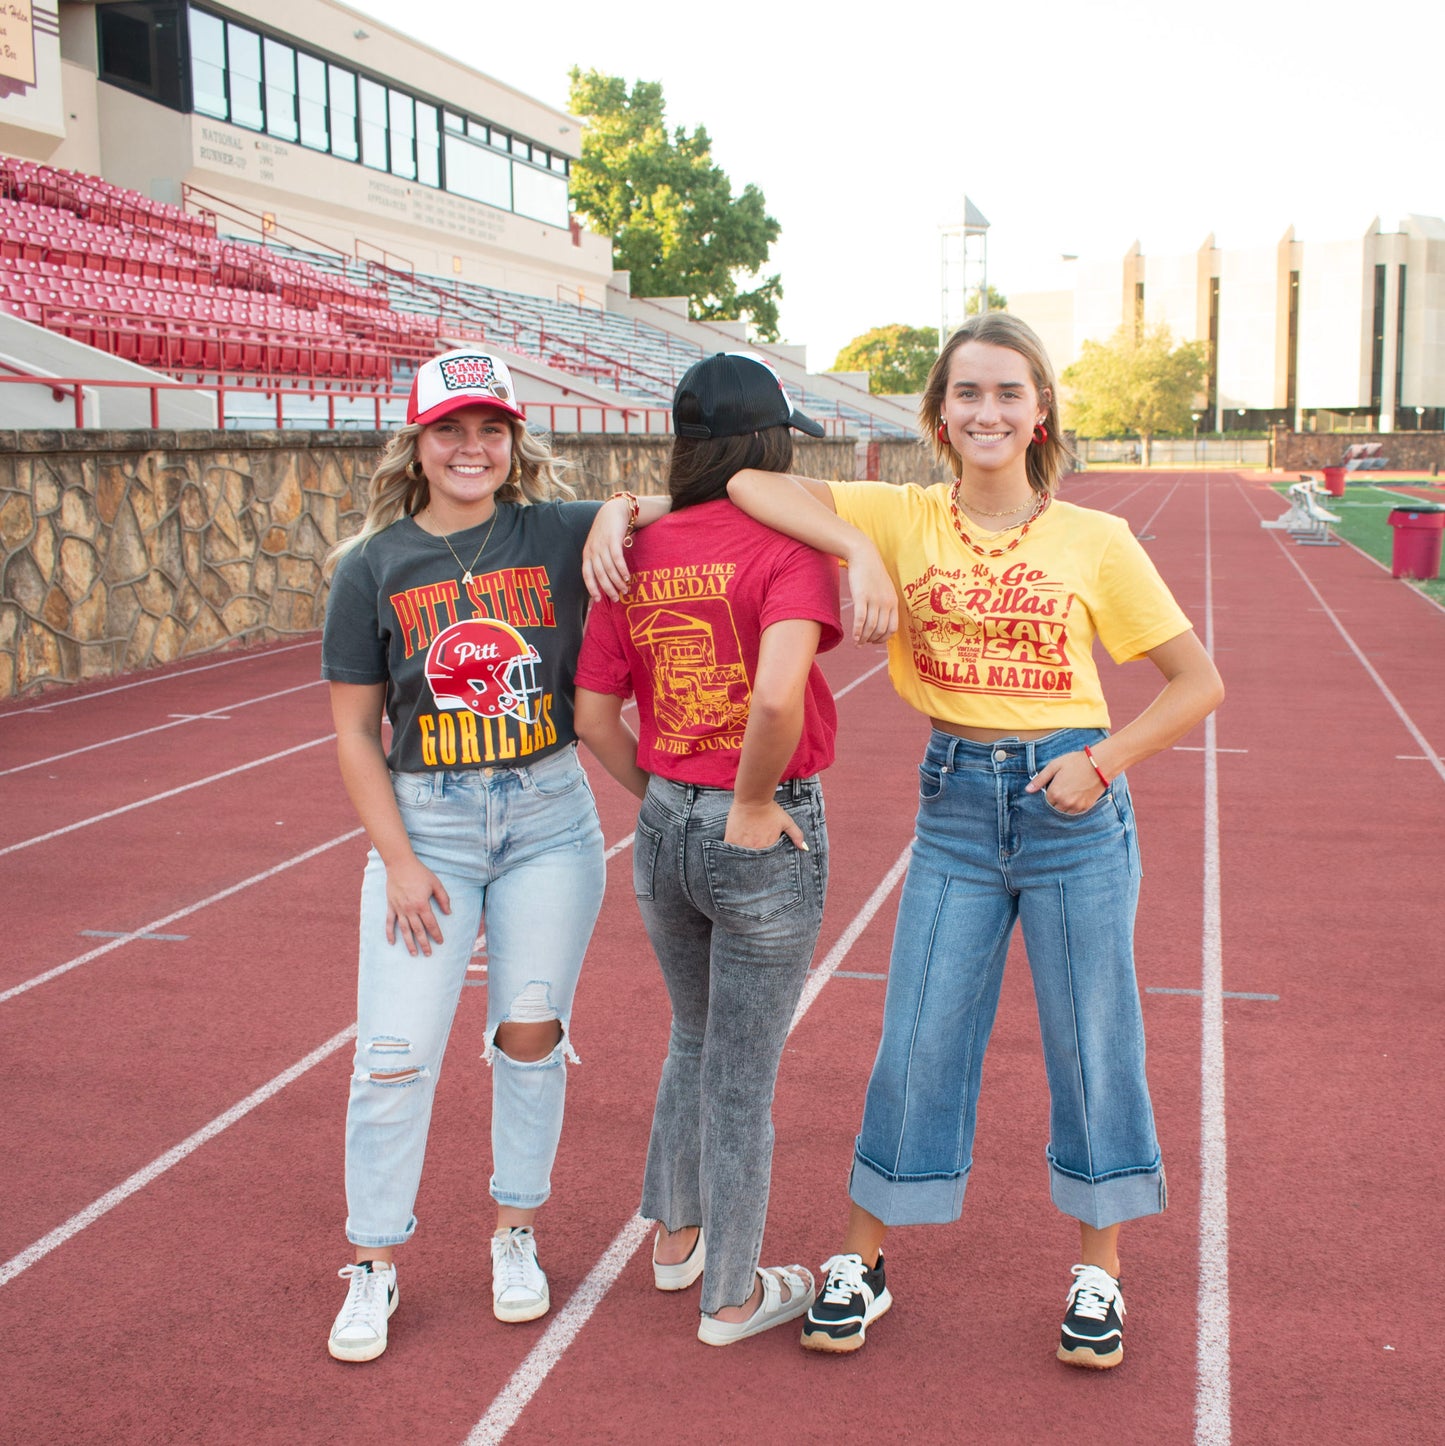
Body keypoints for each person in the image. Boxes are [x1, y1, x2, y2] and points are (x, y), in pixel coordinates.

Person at [716, 314, 1225, 1367]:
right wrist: (855, 542)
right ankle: (863, 1258)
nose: (986, 411)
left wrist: (1101, 762)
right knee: (915, 1036)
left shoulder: (1095, 540)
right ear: (938, 417)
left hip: (1070, 808)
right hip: (953, 802)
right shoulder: (899, 515)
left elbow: (1196, 683)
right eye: (966, 395)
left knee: (1093, 1042)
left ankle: (1098, 1272)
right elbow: (745, 489)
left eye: (1006, 393)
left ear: (1038, 414)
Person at [319, 347, 658, 1363]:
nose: (471, 448)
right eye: (449, 430)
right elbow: (352, 736)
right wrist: (402, 861)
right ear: (415, 445)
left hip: (549, 819)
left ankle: (516, 1232)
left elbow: (644, 504)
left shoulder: (553, 530)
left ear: (515, 443)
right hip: (428, 827)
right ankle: (372, 1262)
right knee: (394, 1055)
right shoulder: (372, 567)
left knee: (529, 1034)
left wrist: (613, 511)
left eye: (490, 430)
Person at [573, 352, 844, 1346]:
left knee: (691, 1038)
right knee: (742, 1072)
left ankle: (674, 1236)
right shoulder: (790, 550)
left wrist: (671, 801)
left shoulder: (631, 551)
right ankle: (730, 1294)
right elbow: (776, 694)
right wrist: (750, 798)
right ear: (770, 448)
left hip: (663, 826)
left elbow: (594, 717)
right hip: (760, 827)